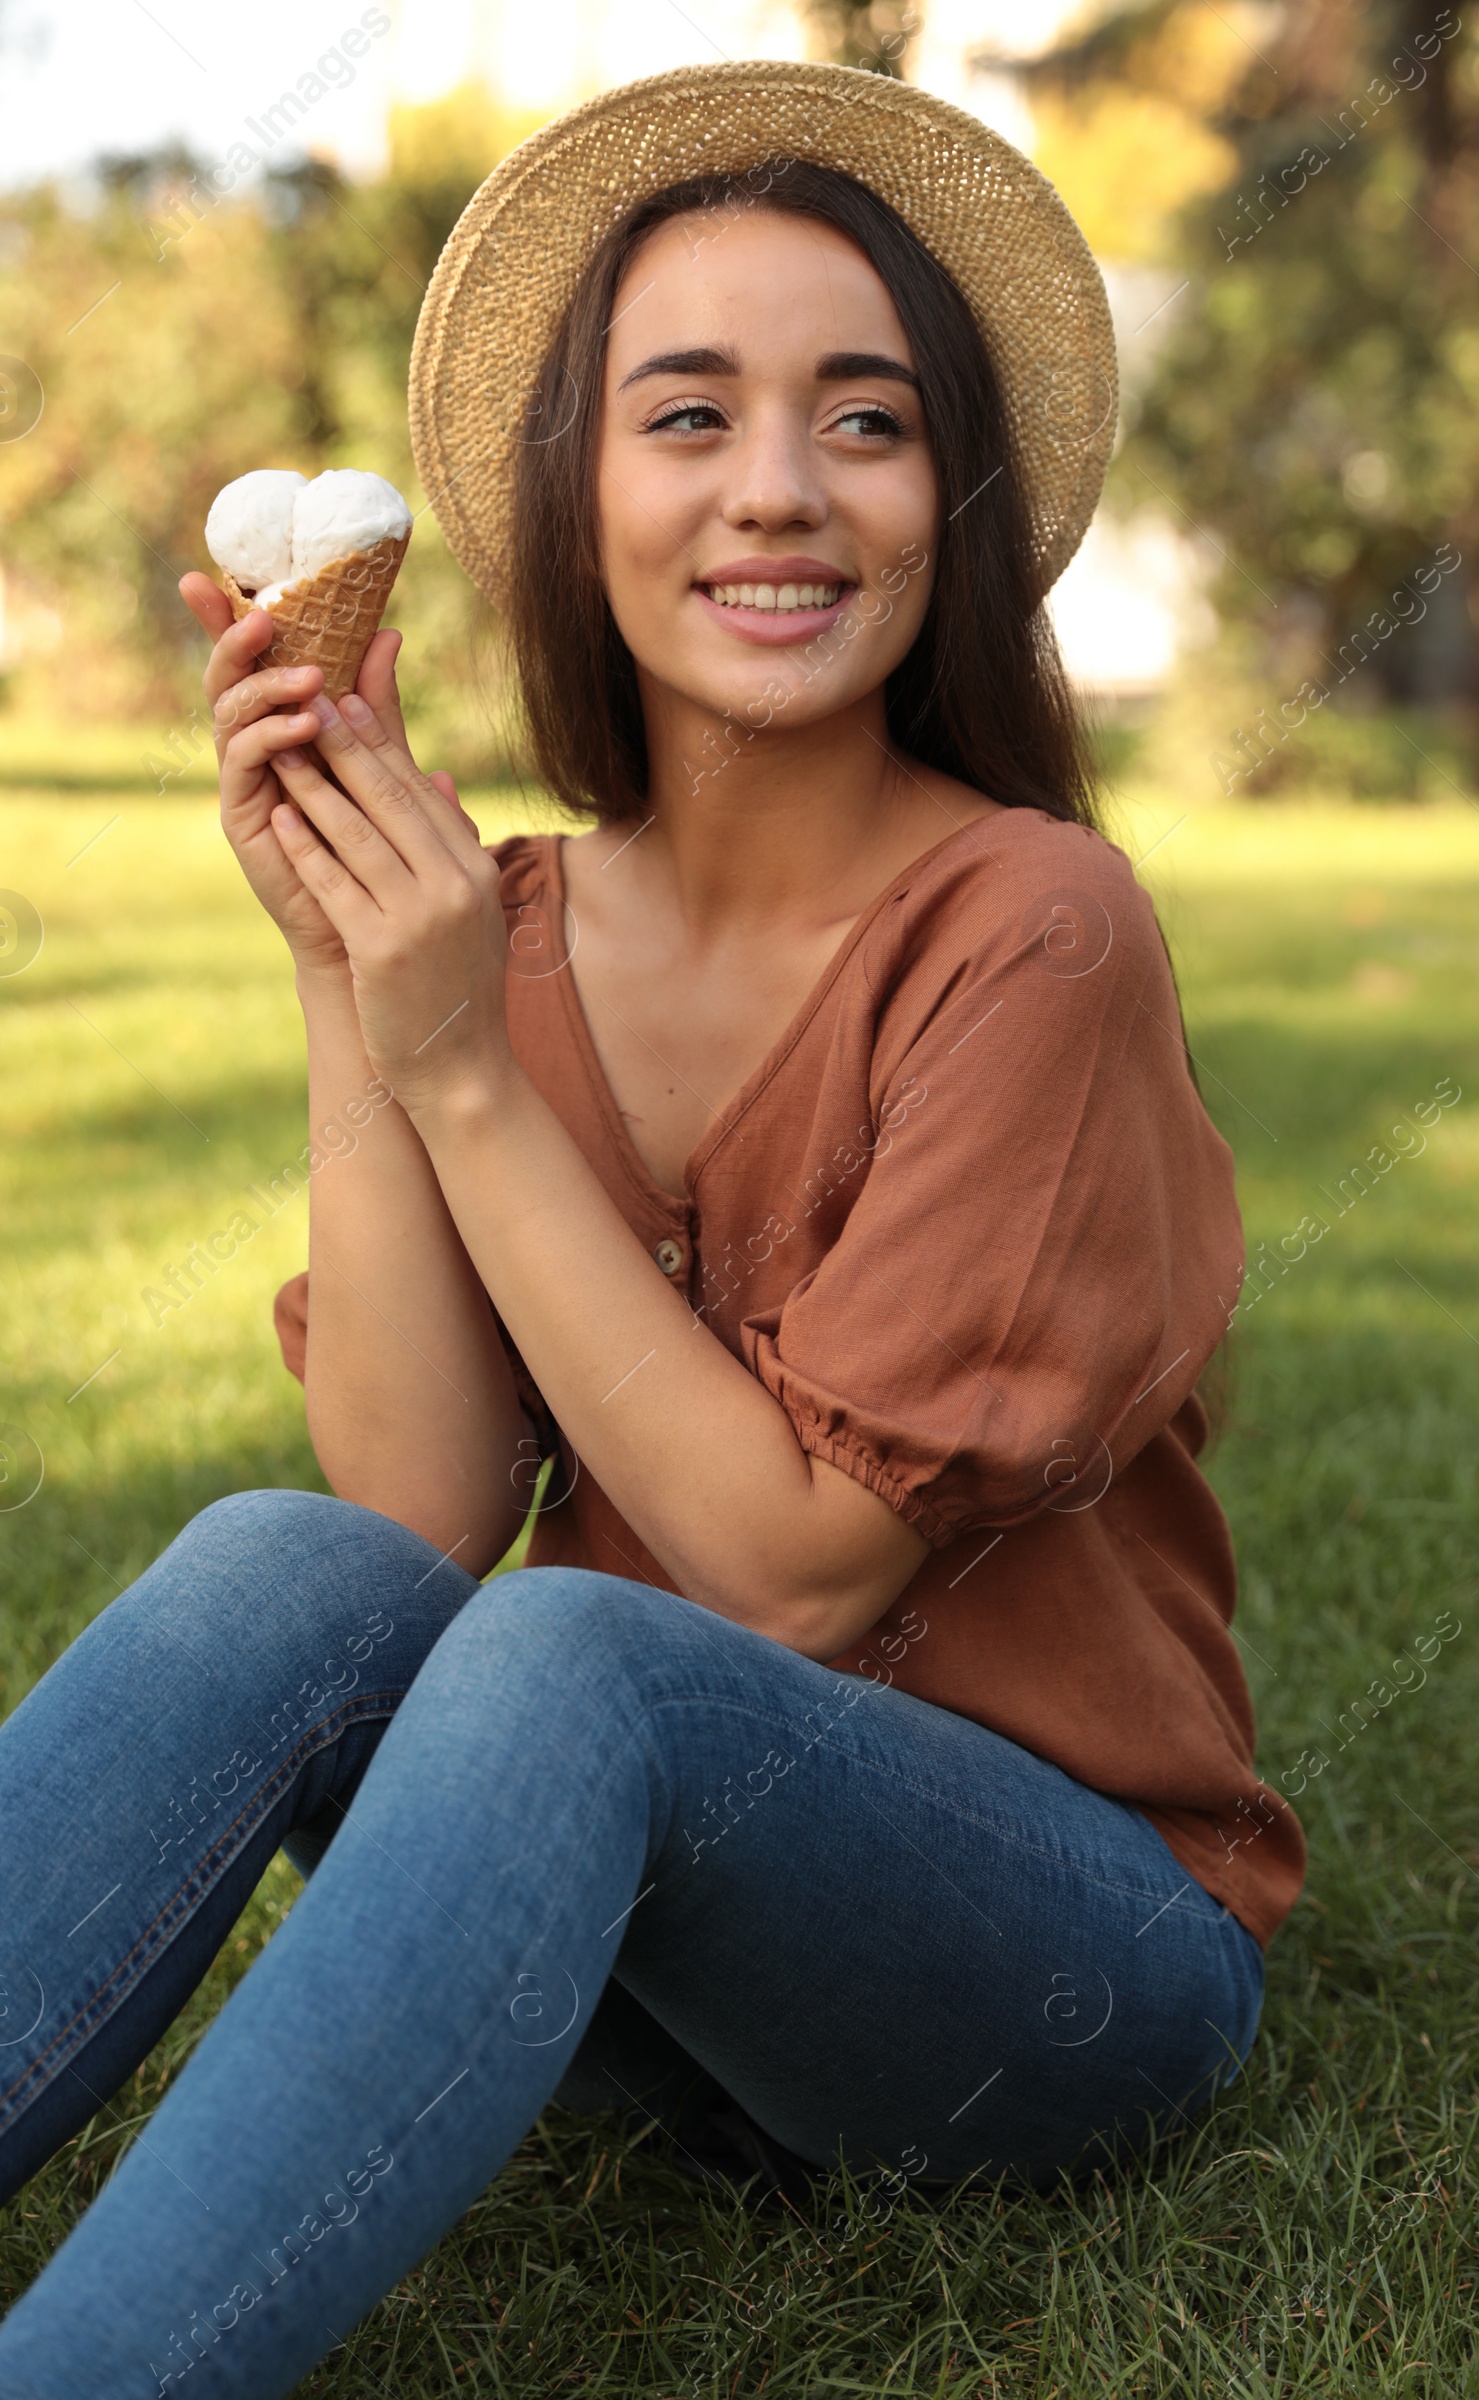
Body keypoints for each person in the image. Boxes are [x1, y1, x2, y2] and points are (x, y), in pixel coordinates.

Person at [0, 63, 1304, 2397]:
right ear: (576, 499)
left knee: (573, 1650)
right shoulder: (500, 933)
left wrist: (465, 1070)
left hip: (1045, 1963)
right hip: (634, 1951)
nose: (775, 489)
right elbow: (405, 1515)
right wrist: (354, 976)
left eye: (864, 422)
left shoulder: (1035, 931)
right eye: (683, 416)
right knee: (285, 1569)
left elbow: (794, 1577)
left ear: (950, 501)